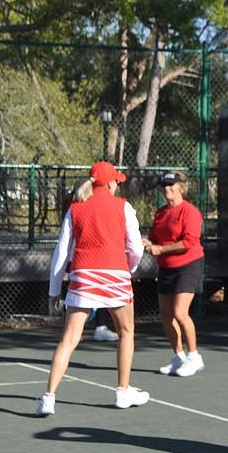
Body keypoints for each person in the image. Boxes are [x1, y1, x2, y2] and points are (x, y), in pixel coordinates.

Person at [36, 161, 147, 416]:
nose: (118, 184)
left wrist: (54, 291)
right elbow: (136, 248)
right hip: (116, 275)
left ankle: (48, 398)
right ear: (109, 183)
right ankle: (122, 391)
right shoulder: (123, 207)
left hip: (83, 277)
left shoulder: (74, 209)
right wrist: (128, 268)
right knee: (127, 332)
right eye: (116, 181)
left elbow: (61, 254)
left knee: (69, 339)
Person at [142, 171, 207, 378]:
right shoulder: (161, 213)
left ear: (181, 188)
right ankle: (179, 356)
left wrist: (160, 249)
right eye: (163, 185)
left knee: (180, 313)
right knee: (165, 314)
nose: (166, 188)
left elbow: (190, 242)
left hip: (189, 265)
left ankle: (194, 356)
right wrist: (148, 243)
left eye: (171, 185)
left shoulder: (190, 212)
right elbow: (154, 237)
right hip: (166, 267)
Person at [59, 178, 121, 343]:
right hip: (80, 260)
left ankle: (99, 327)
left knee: (94, 293)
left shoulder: (81, 206)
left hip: (84, 261)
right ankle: (81, 328)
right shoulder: (76, 207)